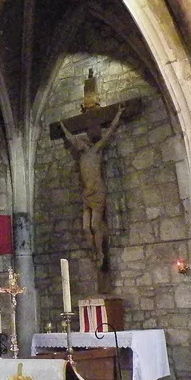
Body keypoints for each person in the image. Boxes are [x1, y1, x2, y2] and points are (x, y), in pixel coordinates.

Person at [59, 106, 125, 270]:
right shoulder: (81, 156)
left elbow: (109, 131)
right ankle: (94, 251)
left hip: (97, 191)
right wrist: (61, 125)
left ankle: (101, 253)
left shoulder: (95, 151)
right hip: (86, 193)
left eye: (80, 142)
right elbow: (69, 138)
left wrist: (118, 113)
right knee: (85, 227)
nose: (77, 144)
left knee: (95, 226)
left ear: (85, 142)